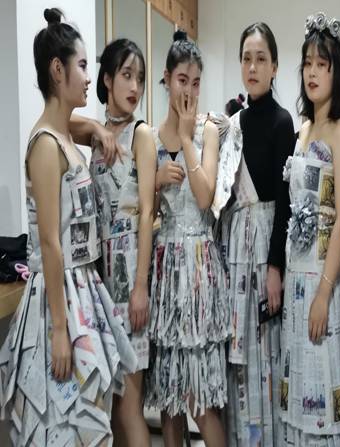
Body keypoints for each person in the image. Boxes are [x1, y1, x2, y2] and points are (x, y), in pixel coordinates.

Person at [0, 8, 136, 445]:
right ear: (57, 70)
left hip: (82, 287)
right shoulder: (45, 144)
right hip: (58, 298)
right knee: (65, 423)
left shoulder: (62, 136)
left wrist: (96, 127)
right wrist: (60, 330)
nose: (88, 77)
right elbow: (49, 242)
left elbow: (72, 125)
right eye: (81, 66)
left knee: (90, 418)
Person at [279, 12, 340, 446]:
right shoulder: (304, 128)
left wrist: (325, 294)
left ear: (335, 72)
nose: (312, 72)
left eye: (322, 64)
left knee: (326, 392)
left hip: (323, 280)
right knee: (299, 391)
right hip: (296, 277)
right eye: (307, 63)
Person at [146, 30, 228, 447]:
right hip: (165, 270)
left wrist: (185, 137)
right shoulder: (148, 137)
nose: (189, 91)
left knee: (201, 398)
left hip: (199, 268)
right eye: (182, 80)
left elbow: (204, 196)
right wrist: (156, 180)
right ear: (166, 78)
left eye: (196, 82)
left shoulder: (208, 130)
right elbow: (140, 209)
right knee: (169, 395)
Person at [219, 22, 296, 446]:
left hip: (266, 244)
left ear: (274, 67)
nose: (253, 66)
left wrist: (274, 267)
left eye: (261, 59)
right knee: (239, 355)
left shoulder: (283, 122)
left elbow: (285, 202)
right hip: (235, 248)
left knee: (268, 350)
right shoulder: (233, 124)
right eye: (247, 58)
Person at [91, 38, 157, 446]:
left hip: (131, 273)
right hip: (99, 283)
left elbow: (147, 214)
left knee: (130, 406)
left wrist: (140, 287)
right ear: (107, 79)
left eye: (140, 78)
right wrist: (98, 128)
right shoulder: (96, 136)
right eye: (127, 75)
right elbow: (61, 123)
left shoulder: (141, 134)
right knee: (111, 407)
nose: (135, 86)